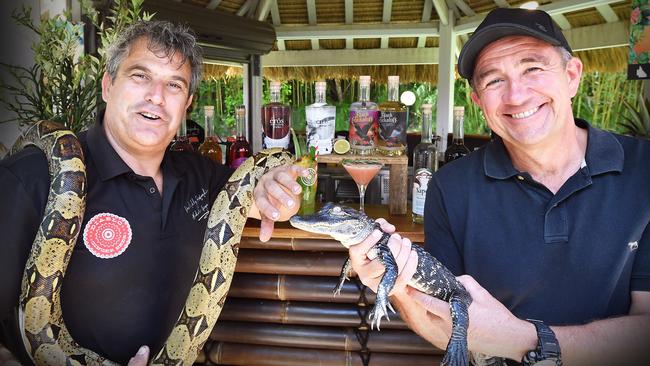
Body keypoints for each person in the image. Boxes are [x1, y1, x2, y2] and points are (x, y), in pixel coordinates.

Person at [349, 8, 650, 366]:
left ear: (572, 76)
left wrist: (522, 340)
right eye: (493, 81)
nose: (517, 95)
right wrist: (395, 285)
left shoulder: (643, 171)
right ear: (479, 103)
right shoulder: (451, 187)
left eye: (533, 69)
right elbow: (440, 319)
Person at [0, 20, 305, 365]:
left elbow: (262, 195)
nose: (156, 96)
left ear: (187, 104)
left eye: (174, 85)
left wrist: (276, 186)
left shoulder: (198, 174)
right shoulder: (31, 178)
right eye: (140, 76)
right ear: (107, 85)